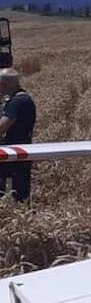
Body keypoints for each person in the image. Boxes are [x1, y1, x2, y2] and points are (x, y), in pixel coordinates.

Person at [0, 68, 36, 202]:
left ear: (5, 84)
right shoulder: (25, 98)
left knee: (8, 189)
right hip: (23, 150)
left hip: (12, 153)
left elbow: (2, 127)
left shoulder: (16, 102)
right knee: (21, 191)